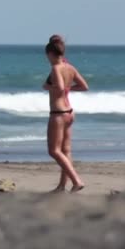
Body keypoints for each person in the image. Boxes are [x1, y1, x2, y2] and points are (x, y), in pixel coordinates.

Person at [42, 34, 89, 193]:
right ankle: (62, 186)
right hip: (69, 112)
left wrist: (49, 87)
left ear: (50, 54)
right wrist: (69, 87)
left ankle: (77, 181)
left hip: (58, 113)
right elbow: (84, 86)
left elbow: (60, 88)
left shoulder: (55, 68)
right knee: (66, 150)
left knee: (54, 151)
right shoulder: (70, 67)